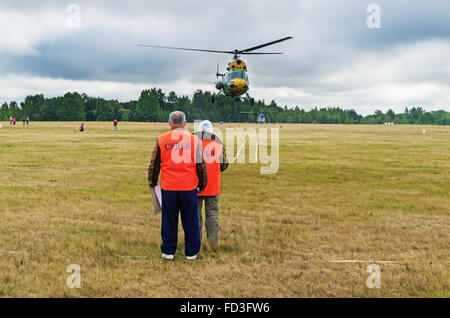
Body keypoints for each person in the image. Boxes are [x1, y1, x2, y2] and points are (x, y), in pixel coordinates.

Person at [148, 111, 207, 261]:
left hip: (169, 188)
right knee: (191, 220)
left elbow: (154, 164)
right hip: (189, 187)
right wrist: (202, 183)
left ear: (170, 123)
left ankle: (168, 251)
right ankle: (191, 252)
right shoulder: (195, 140)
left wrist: (153, 182)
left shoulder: (161, 139)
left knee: (169, 219)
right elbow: (201, 165)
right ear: (185, 123)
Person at [194, 120, 229, 246]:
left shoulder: (191, 144)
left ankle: (195, 243)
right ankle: (213, 244)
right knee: (212, 217)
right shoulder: (218, 145)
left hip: (195, 187)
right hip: (213, 186)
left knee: (195, 217)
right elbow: (224, 165)